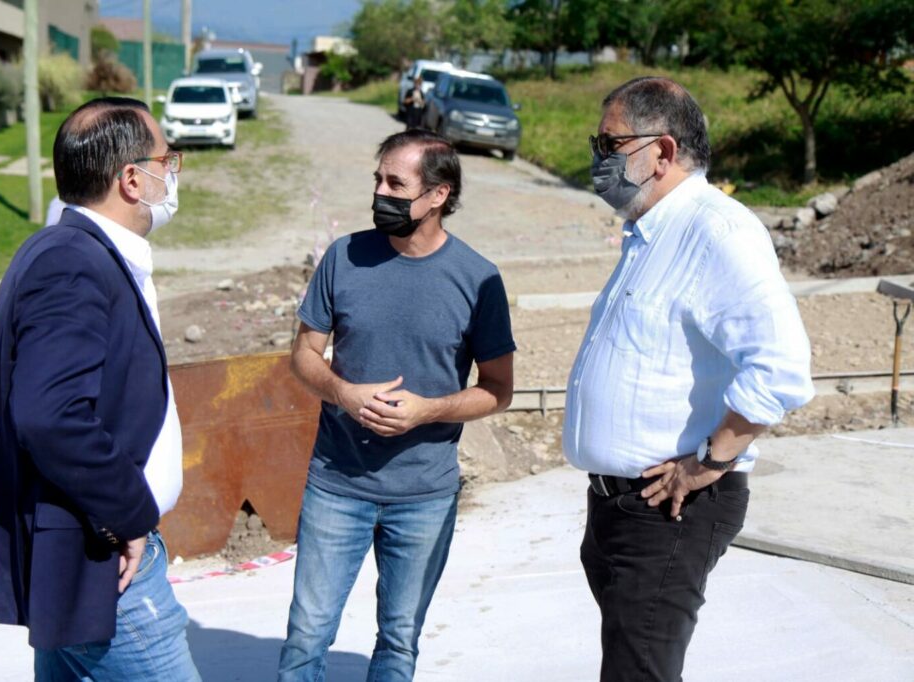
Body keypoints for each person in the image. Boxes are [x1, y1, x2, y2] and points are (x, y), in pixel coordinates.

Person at [564, 77, 814, 681]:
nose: (599, 159)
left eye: (610, 144)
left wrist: (710, 460)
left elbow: (781, 368)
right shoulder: (650, 232)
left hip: (671, 508)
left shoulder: (716, 231)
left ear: (664, 151)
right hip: (621, 508)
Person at [278, 129, 516, 681]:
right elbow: (303, 354)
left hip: (424, 497)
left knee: (399, 641)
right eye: (378, 180)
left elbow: (499, 389)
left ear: (438, 195)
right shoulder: (344, 257)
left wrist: (426, 410)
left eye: (395, 183)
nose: (380, 193)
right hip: (336, 484)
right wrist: (343, 392)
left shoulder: (478, 279)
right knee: (307, 637)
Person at [0, 96, 200, 681]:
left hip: (85, 558)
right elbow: (50, 415)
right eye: (167, 160)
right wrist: (129, 515)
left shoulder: (81, 250)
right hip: (102, 559)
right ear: (132, 178)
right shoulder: (71, 262)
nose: (172, 174)